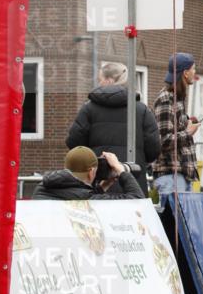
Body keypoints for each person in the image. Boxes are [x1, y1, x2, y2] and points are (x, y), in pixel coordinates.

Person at [66, 61, 160, 196]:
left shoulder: (88, 108)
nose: (99, 84)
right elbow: (153, 150)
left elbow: (74, 144)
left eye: (100, 80)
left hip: (98, 182)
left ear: (109, 81)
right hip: (133, 182)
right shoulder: (142, 110)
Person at [152, 53, 200, 196]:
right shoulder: (166, 99)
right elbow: (163, 141)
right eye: (193, 68)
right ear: (185, 73)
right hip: (171, 177)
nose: (195, 72)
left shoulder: (177, 98)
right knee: (172, 212)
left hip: (181, 175)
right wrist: (188, 132)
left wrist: (186, 126)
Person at [32, 147, 144, 200]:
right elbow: (137, 200)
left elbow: (73, 192)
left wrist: (103, 186)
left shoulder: (42, 188)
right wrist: (120, 170)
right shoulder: (86, 198)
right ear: (91, 172)